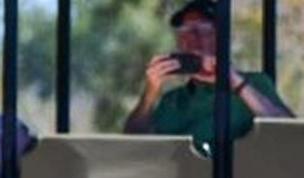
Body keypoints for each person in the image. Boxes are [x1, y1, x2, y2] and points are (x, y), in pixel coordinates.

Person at [124, 0, 292, 149]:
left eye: (202, 30)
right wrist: (150, 93)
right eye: (184, 31)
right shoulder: (172, 100)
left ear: (221, 37)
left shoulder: (254, 84)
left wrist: (235, 81)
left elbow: (288, 133)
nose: (191, 39)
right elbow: (134, 146)